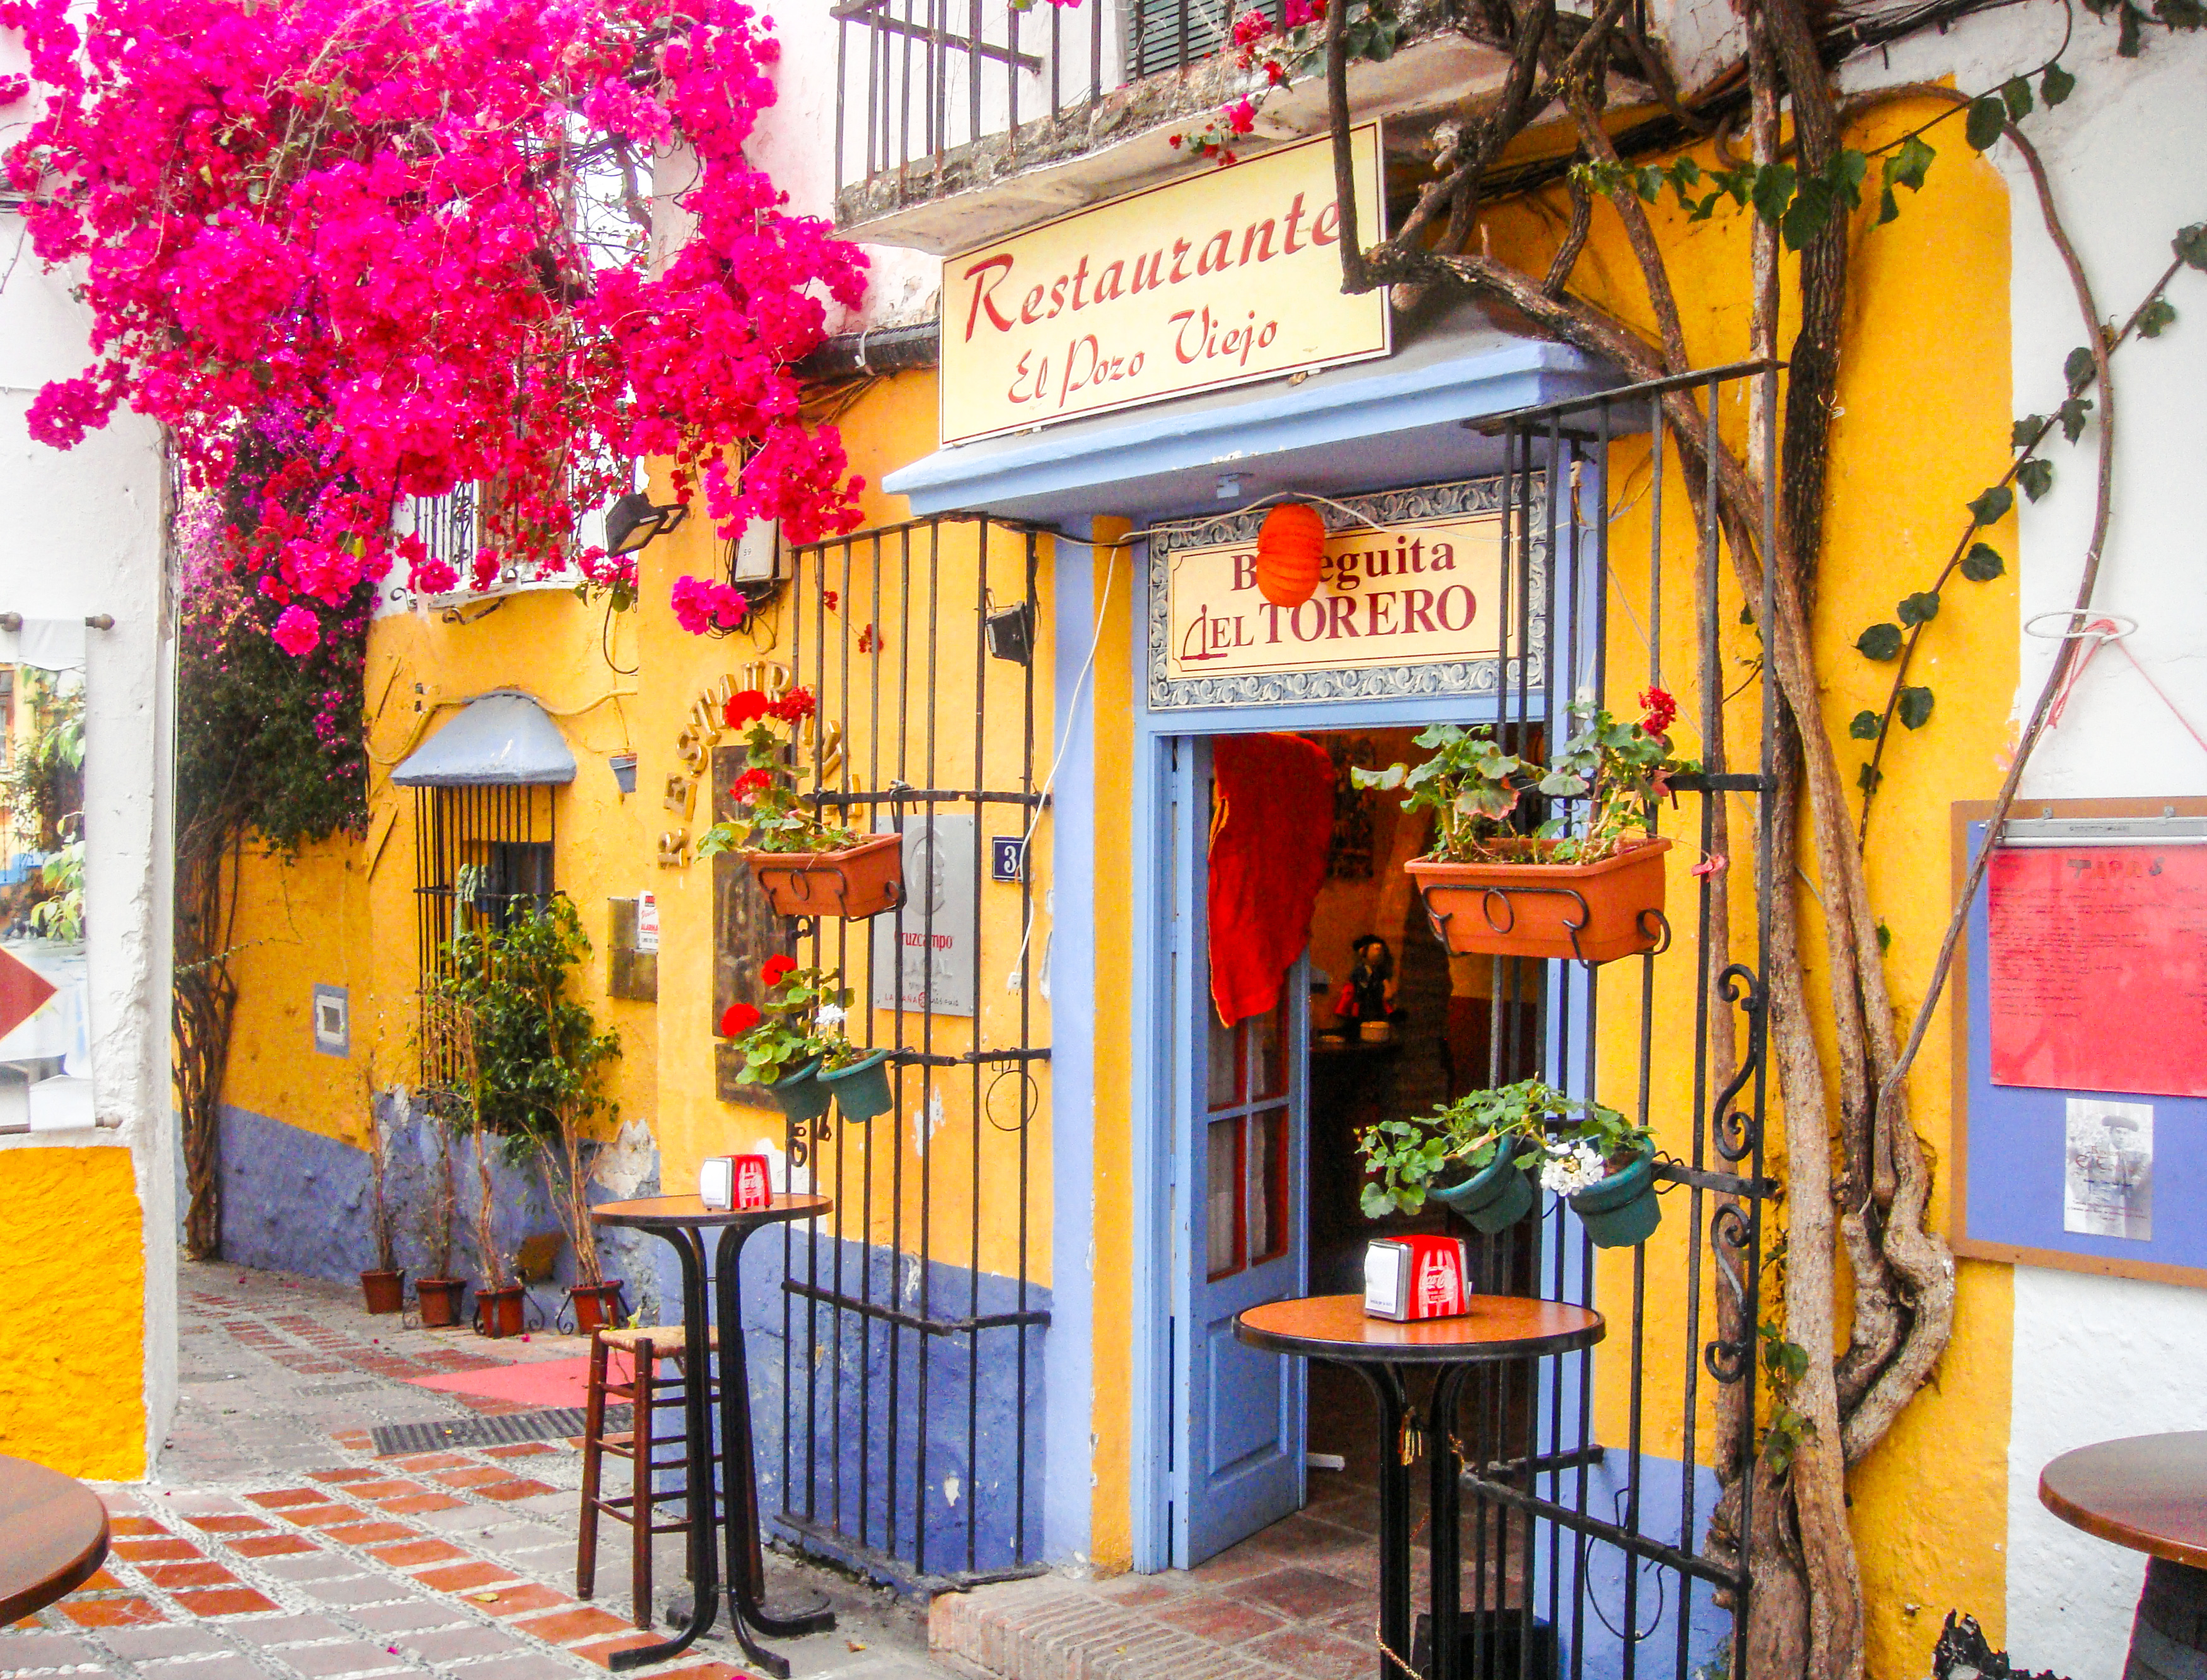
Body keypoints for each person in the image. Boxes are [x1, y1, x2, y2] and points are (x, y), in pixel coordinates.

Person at [1333, 934, 1400, 1030]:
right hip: (1360, 1003)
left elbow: (1384, 982)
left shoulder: (1379, 972)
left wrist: (1386, 990)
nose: (1379, 953)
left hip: (1374, 1003)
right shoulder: (1359, 970)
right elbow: (1353, 985)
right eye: (1376, 949)